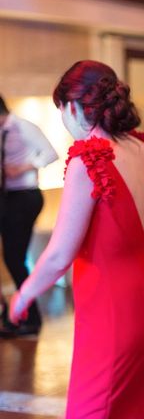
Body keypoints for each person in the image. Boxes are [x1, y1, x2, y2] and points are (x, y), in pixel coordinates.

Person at [9, 60, 144, 418]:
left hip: (110, 309)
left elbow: (59, 254)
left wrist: (23, 294)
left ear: (73, 107)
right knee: (137, 404)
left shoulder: (89, 158)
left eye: (62, 113)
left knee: (94, 407)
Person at [0, 94, 58, 337]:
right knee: (11, 256)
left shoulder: (22, 126)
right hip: (6, 196)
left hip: (25, 195)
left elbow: (51, 153)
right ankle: (12, 311)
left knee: (14, 256)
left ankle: (29, 316)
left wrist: (23, 167)